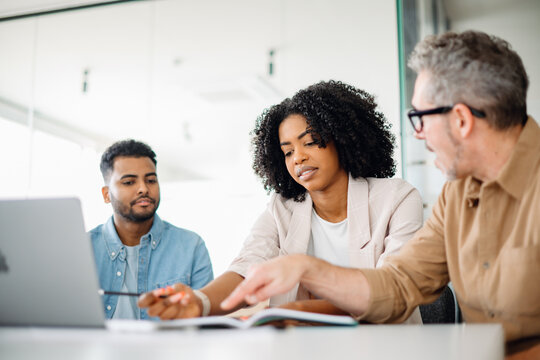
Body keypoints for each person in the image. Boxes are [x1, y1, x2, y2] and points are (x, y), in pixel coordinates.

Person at [221, 31, 540, 358]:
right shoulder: (456, 197)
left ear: (460, 119)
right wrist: (307, 269)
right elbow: (399, 284)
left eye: (421, 117)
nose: (419, 134)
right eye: (288, 151)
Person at [138, 81, 423, 323]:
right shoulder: (281, 208)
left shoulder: (396, 198)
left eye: (310, 142)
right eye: (287, 152)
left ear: (343, 139)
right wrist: (200, 302)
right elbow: (248, 266)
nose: (298, 158)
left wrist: (294, 313)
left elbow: (390, 289)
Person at [89, 139, 213, 319]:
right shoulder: (83, 249)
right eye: (129, 182)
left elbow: (204, 322)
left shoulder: (192, 246)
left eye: (151, 180)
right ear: (107, 194)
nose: (143, 189)